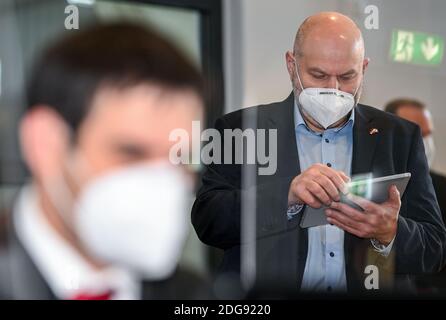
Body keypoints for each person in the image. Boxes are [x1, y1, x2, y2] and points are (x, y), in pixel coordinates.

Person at [192, 12, 446, 294]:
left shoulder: (399, 137)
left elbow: (434, 247)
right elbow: (208, 219)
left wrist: (390, 232)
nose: (333, 89)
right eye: (319, 75)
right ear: (292, 65)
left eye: (347, 76)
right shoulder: (242, 128)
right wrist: (286, 195)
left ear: (363, 68)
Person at [0, 23, 207, 299]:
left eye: (179, 158)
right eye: (132, 154)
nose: (161, 181)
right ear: (46, 145)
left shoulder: (193, 293)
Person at [385, 99, 446, 224]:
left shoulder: (443, 187)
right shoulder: (375, 183)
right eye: (416, 134)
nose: (426, 142)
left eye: (428, 134)